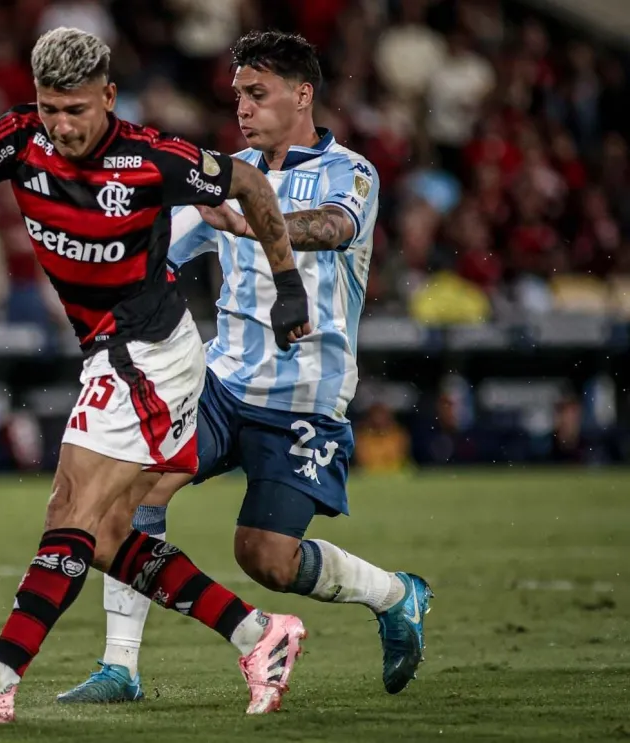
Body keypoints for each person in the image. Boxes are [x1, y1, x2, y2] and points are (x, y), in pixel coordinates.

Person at [0, 27, 312, 722]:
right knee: (108, 534)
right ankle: (259, 632)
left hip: (147, 354)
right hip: (110, 354)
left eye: (76, 110)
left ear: (109, 97)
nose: (60, 126)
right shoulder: (17, 137)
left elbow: (248, 182)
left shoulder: (152, 158)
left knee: (70, 514)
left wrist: (287, 283)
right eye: (49, 108)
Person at [58, 31, 431, 706]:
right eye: (238, 96)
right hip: (222, 383)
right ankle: (120, 667)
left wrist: (249, 221)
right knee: (130, 488)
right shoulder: (223, 175)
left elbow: (336, 226)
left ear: (302, 94)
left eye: (257, 95)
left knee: (266, 558)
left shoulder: (352, 171)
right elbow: (162, 252)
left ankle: (397, 594)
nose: (244, 109)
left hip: (305, 401)